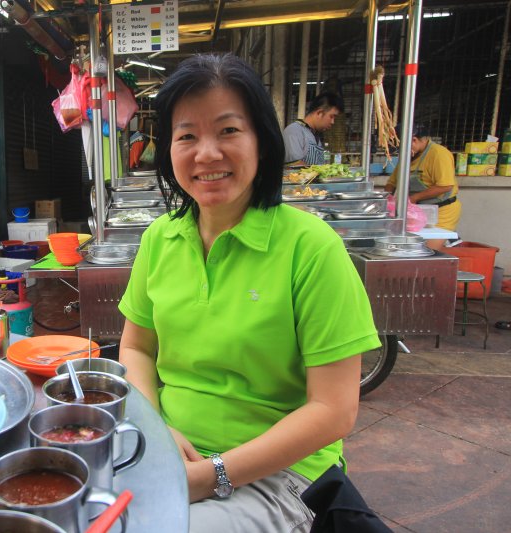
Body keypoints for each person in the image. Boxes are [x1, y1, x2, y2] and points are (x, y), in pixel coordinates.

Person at [118, 53, 381, 532]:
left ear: (261, 139)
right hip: (169, 449)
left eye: (228, 131)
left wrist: (210, 475)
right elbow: (136, 346)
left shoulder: (311, 247)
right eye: (187, 135)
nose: (207, 153)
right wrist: (157, 431)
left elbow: (334, 409)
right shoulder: (160, 237)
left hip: (277, 473)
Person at [384, 123, 461, 251]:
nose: (401, 151)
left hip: (441, 211)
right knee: (410, 248)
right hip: (418, 211)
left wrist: (414, 198)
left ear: (413, 140)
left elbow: (445, 186)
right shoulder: (409, 156)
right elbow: (392, 183)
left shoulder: (439, 154)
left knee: (427, 251)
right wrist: (385, 200)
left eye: (401, 146)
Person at [282, 92, 344, 165]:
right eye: (331, 116)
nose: (332, 122)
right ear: (319, 113)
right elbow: (294, 165)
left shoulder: (314, 135)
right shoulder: (294, 131)